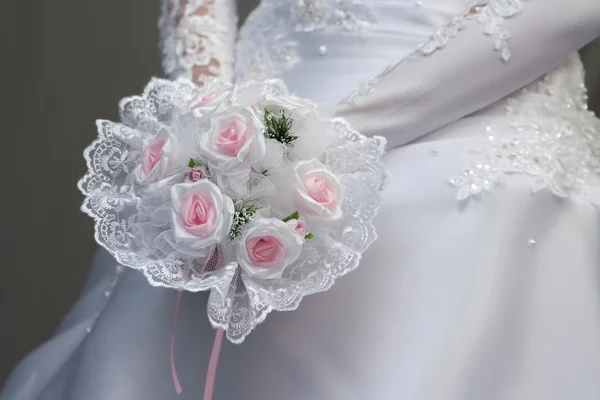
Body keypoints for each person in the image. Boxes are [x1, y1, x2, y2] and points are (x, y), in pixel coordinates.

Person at [3, 0, 600, 399]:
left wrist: (320, 140)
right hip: (264, 94)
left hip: (484, 98)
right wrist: (216, 134)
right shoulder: (232, 141)